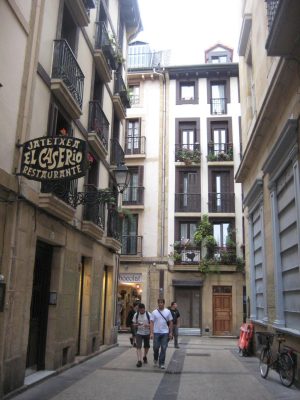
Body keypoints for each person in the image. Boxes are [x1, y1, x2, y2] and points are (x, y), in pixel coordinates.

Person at [150, 298, 173, 369]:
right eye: (159, 303)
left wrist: (170, 332)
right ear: (158, 304)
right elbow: (151, 322)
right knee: (156, 347)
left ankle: (161, 363)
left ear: (164, 303)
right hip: (156, 332)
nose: (160, 304)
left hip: (165, 332)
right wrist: (151, 333)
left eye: (161, 303)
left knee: (164, 348)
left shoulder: (168, 312)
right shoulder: (154, 312)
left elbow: (171, 322)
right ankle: (155, 358)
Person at [132, 303, 151, 367]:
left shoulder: (148, 314)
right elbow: (133, 325)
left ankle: (145, 356)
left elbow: (152, 324)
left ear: (144, 309)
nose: (142, 311)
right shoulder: (136, 315)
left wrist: (147, 325)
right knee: (138, 347)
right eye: (141, 310)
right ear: (139, 309)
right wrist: (137, 325)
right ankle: (139, 361)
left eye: (143, 310)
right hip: (139, 333)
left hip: (147, 333)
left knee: (147, 346)